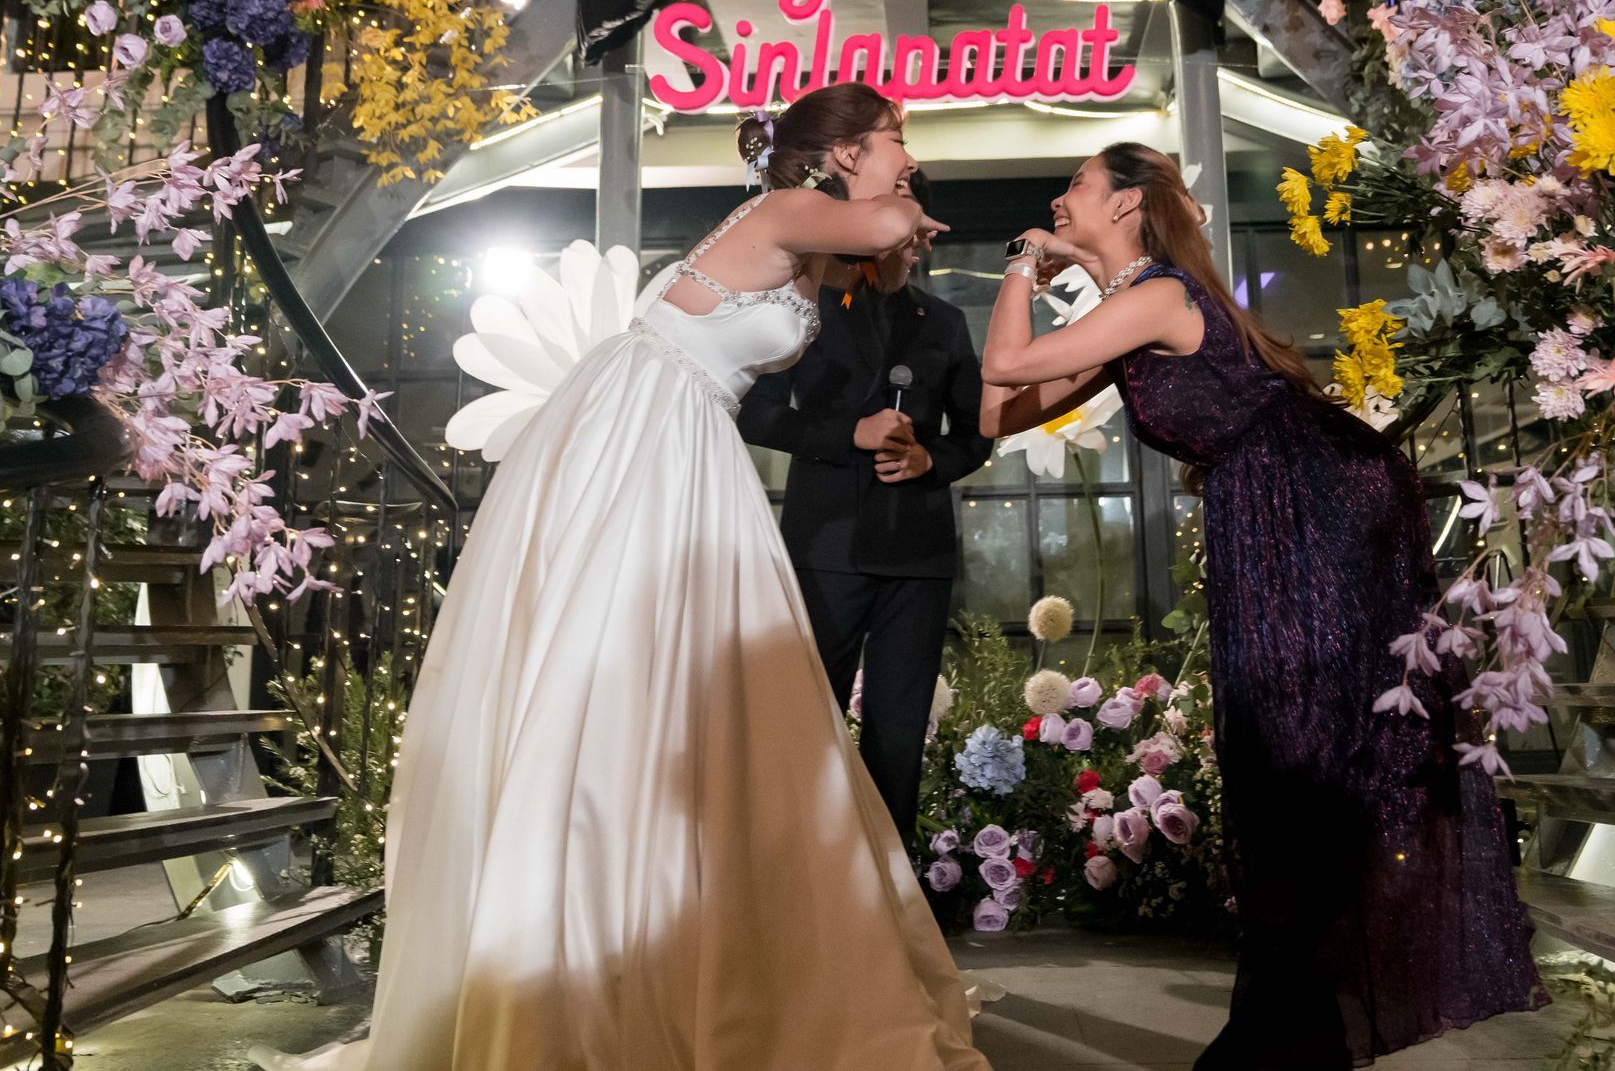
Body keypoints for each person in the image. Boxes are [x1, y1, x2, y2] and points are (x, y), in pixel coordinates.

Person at [295, 82, 991, 1071]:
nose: (907, 158)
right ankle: (570, 930)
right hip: (649, 424)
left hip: (689, 431)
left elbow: (872, 260)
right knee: (614, 648)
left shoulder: (810, 243)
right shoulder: (787, 207)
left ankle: (669, 924)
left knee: (689, 679)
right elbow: (881, 223)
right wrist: (902, 212)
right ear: (842, 154)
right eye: (894, 140)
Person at [975, 143, 1543, 1070]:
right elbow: (1000, 409)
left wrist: (1022, 260)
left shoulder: (1157, 294)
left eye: (1077, 183)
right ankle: (1296, 1029)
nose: (1058, 196)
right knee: (1282, 761)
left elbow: (1005, 358)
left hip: (1313, 499)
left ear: (1126, 204)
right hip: (1271, 507)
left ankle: (1291, 1031)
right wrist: (1060, 264)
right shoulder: (1131, 309)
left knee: (1300, 753)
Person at [739, 168, 993, 846]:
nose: (905, 239)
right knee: (809, 726)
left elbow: (976, 434)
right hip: (826, 550)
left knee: (899, 740)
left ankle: (891, 890)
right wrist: (849, 433)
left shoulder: (945, 321)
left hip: (919, 557)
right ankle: (800, 879)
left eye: (913, 224)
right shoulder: (807, 309)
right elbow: (756, 413)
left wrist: (929, 460)